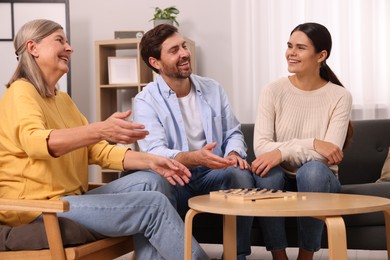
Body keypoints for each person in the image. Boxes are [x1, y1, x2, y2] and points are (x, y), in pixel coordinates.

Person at [0, 19, 210, 260]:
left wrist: (151, 161)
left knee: (154, 181)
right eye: (60, 40)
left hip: (70, 199)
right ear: (32, 48)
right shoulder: (20, 92)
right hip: (40, 208)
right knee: (153, 205)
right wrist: (100, 130)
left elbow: (95, 151)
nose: (69, 48)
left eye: (67, 41)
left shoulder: (62, 99)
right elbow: (39, 143)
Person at [132, 24, 255, 260]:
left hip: (213, 172)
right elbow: (155, 152)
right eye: (174, 50)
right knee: (157, 185)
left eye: (184, 46)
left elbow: (233, 132)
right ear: (155, 62)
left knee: (239, 174)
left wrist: (234, 154)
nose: (184, 53)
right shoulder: (145, 101)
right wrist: (193, 158)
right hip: (177, 176)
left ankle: (236, 255)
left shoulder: (213, 89)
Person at [251, 22, 353, 260]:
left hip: (321, 179)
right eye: (289, 46)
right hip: (281, 177)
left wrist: (283, 151)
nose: (291, 53)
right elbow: (262, 148)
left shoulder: (340, 96)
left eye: (300, 48)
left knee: (312, 172)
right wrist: (313, 143)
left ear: (321, 55)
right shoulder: (273, 90)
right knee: (267, 172)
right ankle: (279, 255)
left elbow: (327, 155)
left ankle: (306, 256)